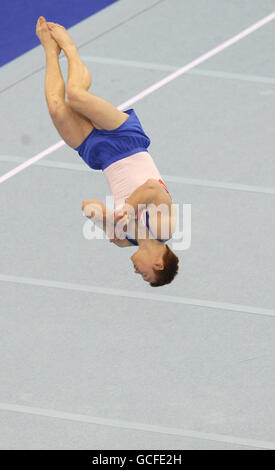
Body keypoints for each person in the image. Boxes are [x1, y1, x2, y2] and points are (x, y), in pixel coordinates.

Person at [36, 16, 179, 286]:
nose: (137, 273)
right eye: (146, 275)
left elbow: (89, 206)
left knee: (57, 107)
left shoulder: (124, 240)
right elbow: (153, 189)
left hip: (101, 157)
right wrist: (127, 209)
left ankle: (49, 51)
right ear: (159, 263)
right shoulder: (164, 229)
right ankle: (70, 49)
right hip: (127, 142)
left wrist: (102, 218)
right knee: (76, 95)